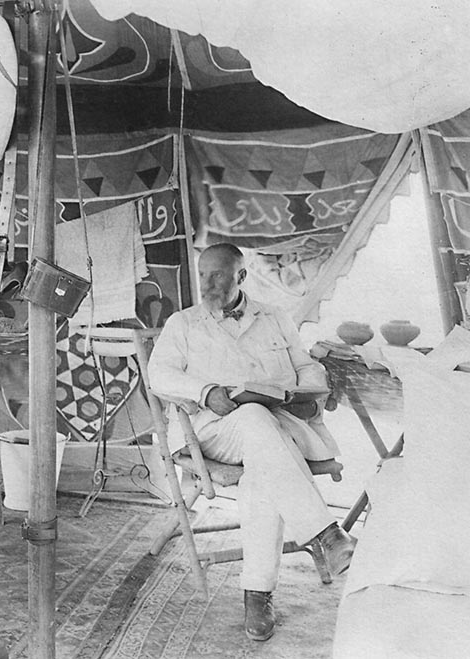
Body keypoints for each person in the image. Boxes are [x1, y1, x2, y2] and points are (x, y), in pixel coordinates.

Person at [147, 242, 355, 642]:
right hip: (211, 431)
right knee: (258, 424)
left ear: (241, 276)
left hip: (274, 428)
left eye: (218, 275)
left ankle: (257, 594)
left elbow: (308, 368)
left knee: (263, 461)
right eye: (203, 274)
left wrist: (301, 393)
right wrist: (206, 391)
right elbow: (160, 374)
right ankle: (328, 535)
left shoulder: (274, 317)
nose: (207, 283)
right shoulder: (183, 323)